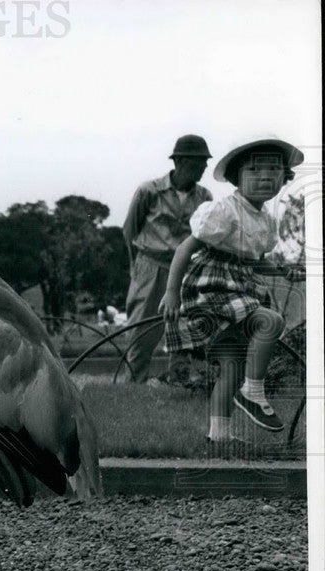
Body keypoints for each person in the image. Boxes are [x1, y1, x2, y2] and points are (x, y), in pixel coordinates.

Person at [159, 137, 304, 443]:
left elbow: (255, 263)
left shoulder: (265, 220)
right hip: (213, 290)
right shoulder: (224, 211)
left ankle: (219, 436)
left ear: (284, 178)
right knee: (271, 320)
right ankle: (253, 391)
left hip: (240, 290)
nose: (266, 177)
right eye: (255, 171)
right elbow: (186, 248)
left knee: (233, 367)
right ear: (237, 177)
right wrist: (171, 291)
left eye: (274, 171)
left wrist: (284, 271)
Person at [122, 134, 214, 384]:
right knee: (142, 328)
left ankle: (179, 383)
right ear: (180, 161)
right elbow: (129, 229)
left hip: (185, 268)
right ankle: (133, 385)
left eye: (206, 161)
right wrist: (137, 267)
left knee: (183, 328)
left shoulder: (205, 197)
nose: (204, 166)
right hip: (150, 265)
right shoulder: (149, 191)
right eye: (199, 161)